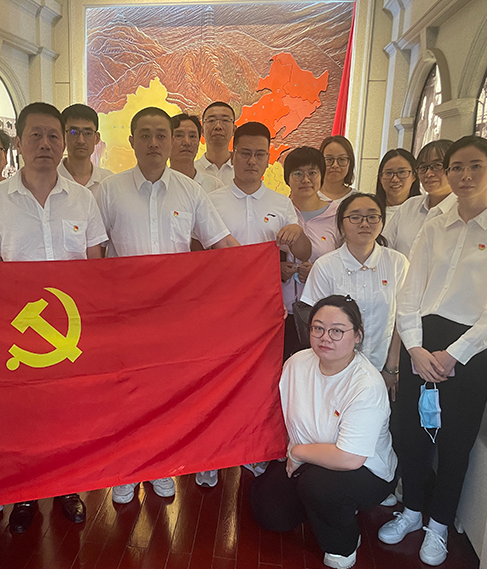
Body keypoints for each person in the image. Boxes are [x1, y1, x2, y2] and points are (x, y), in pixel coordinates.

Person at [380, 136, 487, 566]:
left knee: (455, 443)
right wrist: (415, 347)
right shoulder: (435, 225)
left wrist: (453, 355)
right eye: (456, 167)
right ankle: (411, 512)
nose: (464, 176)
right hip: (422, 343)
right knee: (412, 433)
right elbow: (409, 293)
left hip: (470, 353)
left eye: (475, 166)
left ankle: (439, 525)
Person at [0, 102, 106, 533]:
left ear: (63, 142)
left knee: (69, 415)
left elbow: (95, 266)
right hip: (20, 333)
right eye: (36, 135)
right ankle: (26, 494)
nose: (45, 144)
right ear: (18, 142)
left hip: (72, 330)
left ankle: (69, 487)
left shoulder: (83, 199)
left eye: (53, 136)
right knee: (23, 418)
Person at [98, 106, 239, 503]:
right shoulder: (109, 190)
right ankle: (128, 469)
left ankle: (160, 466)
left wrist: (260, 267)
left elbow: (221, 243)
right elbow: (93, 253)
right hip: (125, 315)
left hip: (174, 318)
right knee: (127, 397)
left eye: (162, 134)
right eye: (145, 135)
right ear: (132, 141)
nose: (154, 142)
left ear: (173, 140)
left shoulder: (190, 191)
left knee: (166, 396)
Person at [250, 295, 397, 569]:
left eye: (337, 331)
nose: (325, 337)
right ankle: (324, 506)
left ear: (357, 336)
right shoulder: (297, 363)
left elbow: (350, 457)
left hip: (364, 470)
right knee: (267, 511)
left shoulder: (366, 385)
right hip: (307, 461)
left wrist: (297, 452)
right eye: (318, 328)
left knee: (318, 487)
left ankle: (343, 543)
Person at [199, 121, 310, 487]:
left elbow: (303, 252)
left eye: (259, 154)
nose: (251, 160)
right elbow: (198, 256)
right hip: (220, 312)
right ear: (233, 155)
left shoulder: (281, 204)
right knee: (216, 385)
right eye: (245, 153)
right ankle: (211, 454)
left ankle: (254, 450)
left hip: (267, 314)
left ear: (267, 159)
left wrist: (297, 236)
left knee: (261, 385)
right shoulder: (211, 200)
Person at [302, 192, 408, 397]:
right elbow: (317, 325)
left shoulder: (397, 263)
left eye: (372, 216)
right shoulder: (325, 266)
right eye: (355, 217)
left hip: (381, 367)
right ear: (341, 225)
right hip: (335, 370)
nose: (364, 223)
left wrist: (392, 367)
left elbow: (401, 318)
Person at [281, 147, 342, 359]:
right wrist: (277, 269)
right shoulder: (278, 210)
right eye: (298, 173)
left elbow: (345, 263)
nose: (305, 179)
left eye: (312, 173)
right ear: (287, 178)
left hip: (321, 313)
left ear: (321, 176)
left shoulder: (338, 215)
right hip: (280, 313)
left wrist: (318, 272)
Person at [384, 139, 456, 258]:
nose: (428, 173)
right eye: (423, 167)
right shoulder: (409, 207)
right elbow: (384, 249)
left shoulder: (464, 212)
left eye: (437, 166)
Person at [58, 103, 113, 197]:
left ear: (97, 138)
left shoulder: (109, 182)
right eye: (74, 132)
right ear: (62, 136)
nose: (81, 140)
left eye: (87, 133)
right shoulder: (50, 180)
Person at [169, 113, 225, 193]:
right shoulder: (157, 184)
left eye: (192, 136)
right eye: (179, 135)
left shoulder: (214, 186)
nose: (187, 142)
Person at [195, 102, 236, 185]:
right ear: (202, 130)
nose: (218, 126)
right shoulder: (193, 171)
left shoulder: (243, 171)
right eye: (211, 121)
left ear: (234, 130)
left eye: (225, 120)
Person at [376, 149, 420, 223]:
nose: (395, 179)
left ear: (414, 176)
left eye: (402, 172)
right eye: (389, 173)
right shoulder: (369, 211)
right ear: (380, 178)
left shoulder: (424, 212)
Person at [319, 135, 356, 202]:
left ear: (350, 163)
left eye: (341, 159)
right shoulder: (307, 196)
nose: (335, 165)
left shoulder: (358, 199)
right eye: (329, 159)